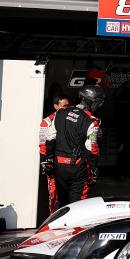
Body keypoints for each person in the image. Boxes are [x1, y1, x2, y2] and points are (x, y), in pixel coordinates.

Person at [42, 84, 104, 212]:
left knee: (60, 200)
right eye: (98, 102)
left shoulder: (60, 113)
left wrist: (48, 160)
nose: (99, 105)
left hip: (59, 165)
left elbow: (50, 137)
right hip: (77, 167)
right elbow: (92, 148)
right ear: (90, 101)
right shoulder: (91, 121)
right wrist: (93, 170)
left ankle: (58, 222)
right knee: (78, 203)